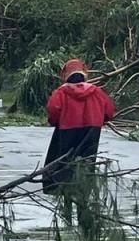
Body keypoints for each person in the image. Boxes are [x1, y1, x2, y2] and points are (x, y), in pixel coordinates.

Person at [41, 59, 116, 195]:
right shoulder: (97, 92)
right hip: (92, 131)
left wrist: (56, 122)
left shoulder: (61, 93)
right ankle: (84, 192)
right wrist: (100, 120)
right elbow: (109, 111)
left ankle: (64, 192)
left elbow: (53, 112)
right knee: (87, 162)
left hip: (67, 130)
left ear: (65, 75)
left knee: (64, 162)